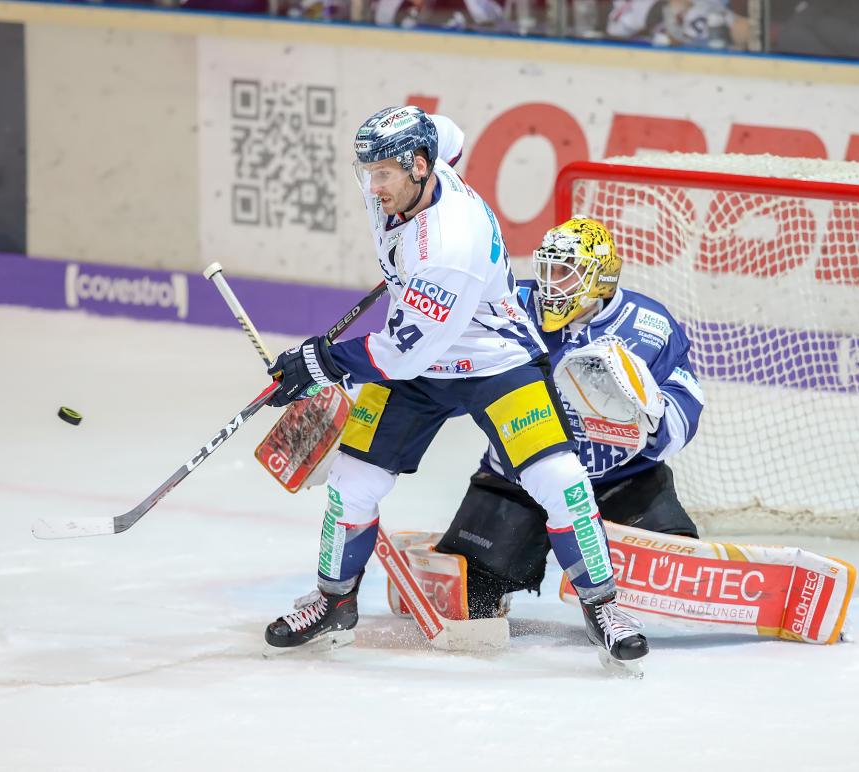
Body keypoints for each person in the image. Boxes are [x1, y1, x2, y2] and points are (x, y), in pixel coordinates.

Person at [261, 106, 647, 669]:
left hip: (490, 361)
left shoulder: (450, 247)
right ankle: (333, 602)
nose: (373, 187)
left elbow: (398, 354)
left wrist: (319, 362)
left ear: (419, 167)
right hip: (420, 363)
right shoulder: (420, 160)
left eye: (384, 174)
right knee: (350, 483)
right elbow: (452, 134)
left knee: (560, 482)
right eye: (367, 172)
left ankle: (603, 607)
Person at [435, 217, 706, 619]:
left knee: (675, 568)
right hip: (516, 481)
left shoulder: (650, 326)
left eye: (565, 272)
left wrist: (654, 418)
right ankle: (485, 567)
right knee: (470, 599)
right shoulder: (510, 308)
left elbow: (686, 400)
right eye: (547, 269)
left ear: (600, 279)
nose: (550, 283)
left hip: (622, 480)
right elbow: (444, 362)